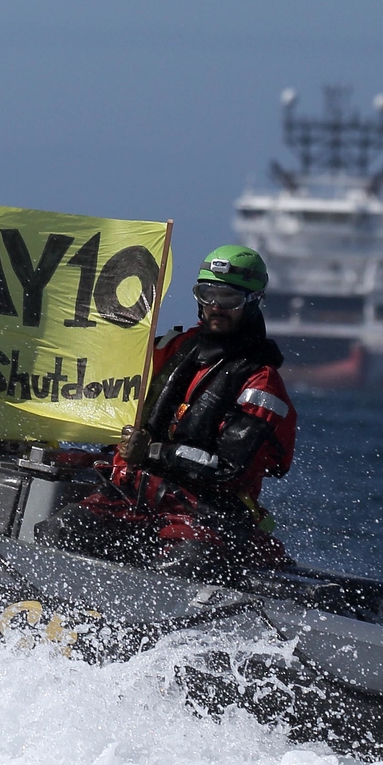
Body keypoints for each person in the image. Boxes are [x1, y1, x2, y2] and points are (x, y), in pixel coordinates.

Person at [43, 244, 296, 580]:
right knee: (63, 529)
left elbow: (229, 469)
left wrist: (152, 450)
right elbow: (106, 382)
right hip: (132, 496)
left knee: (185, 563)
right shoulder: (171, 349)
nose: (216, 307)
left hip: (203, 513)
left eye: (230, 299)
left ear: (254, 301)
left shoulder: (261, 383)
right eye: (207, 295)